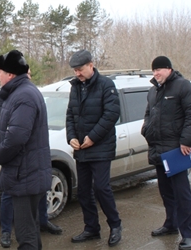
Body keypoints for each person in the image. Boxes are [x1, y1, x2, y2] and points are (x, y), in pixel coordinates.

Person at [0, 70, 62, 248]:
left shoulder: (24, 96)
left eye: (0, 72)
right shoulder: (21, 93)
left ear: (10, 74)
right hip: (26, 173)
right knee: (30, 229)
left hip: (24, 174)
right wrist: (0, 96)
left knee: (26, 235)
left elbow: (16, 137)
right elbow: (3, 122)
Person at [141, 56, 191, 250]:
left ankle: (189, 234)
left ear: (169, 69)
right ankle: (171, 224)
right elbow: (149, 113)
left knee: (182, 194)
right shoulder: (153, 91)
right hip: (158, 148)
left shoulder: (183, 87)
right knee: (166, 192)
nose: (156, 73)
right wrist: (146, 130)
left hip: (176, 150)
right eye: (154, 71)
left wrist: (186, 141)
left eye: (159, 70)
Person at [65, 49, 122, 246]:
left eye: (80, 69)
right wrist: (71, 137)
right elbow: (70, 115)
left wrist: (92, 137)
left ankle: (115, 225)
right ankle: (91, 228)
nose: (77, 74)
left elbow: (111, 115)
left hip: (100, 147)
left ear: (91, 65)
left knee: (101, 188)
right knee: (82, 191)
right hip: (81, 148)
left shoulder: (107, 85)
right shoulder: (75, 87)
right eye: (75, 71)